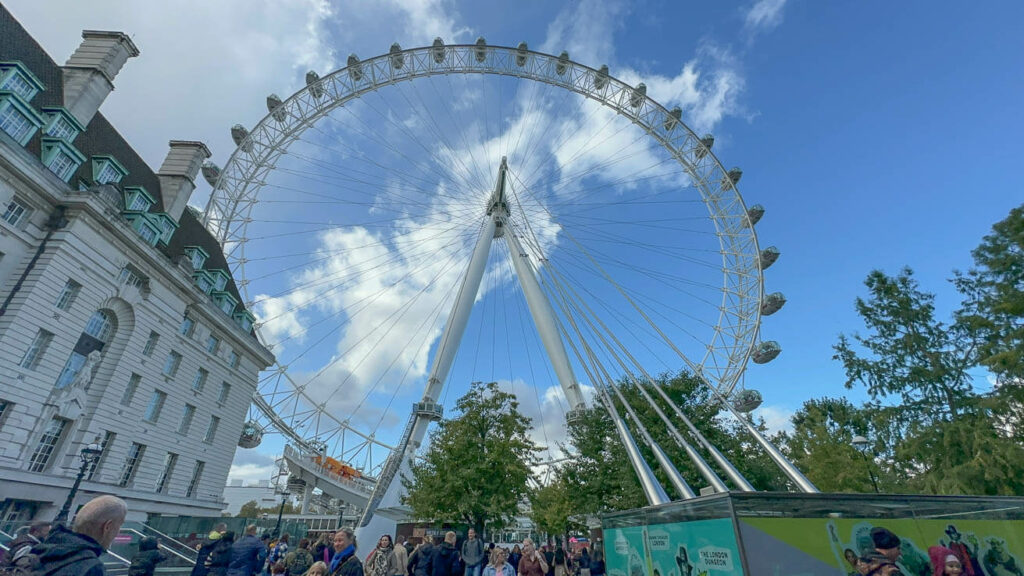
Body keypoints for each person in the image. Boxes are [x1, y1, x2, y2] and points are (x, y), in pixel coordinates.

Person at [31, 494, 128, 576]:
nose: (119, 531)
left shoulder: (41, 549)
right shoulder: (91, 567)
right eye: (120, 525)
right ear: (107, 526)